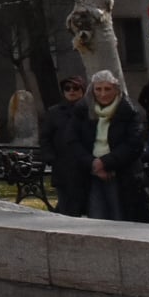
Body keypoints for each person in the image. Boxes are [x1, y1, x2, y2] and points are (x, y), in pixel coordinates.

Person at [80, 70, 146, 221]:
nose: (103, 94)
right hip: (91, 173)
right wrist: (93, 164)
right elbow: (74, 141)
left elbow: (134, 143)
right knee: (95, 218)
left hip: (123, 175)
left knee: (120, 219)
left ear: (116, 89)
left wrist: (105, 162)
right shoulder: (84, 111)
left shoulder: (130, 111)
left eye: (107, 89)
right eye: (98, 89)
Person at [41, 75, 91, 215]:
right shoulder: (54, 112)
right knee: (67, 208)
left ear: (83, 90)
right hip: (63, 168)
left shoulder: (90, 111)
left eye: (75, 88)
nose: (71, 91)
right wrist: (50, 157)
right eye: (67, 88)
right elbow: (45, 137)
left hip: (86, 167)